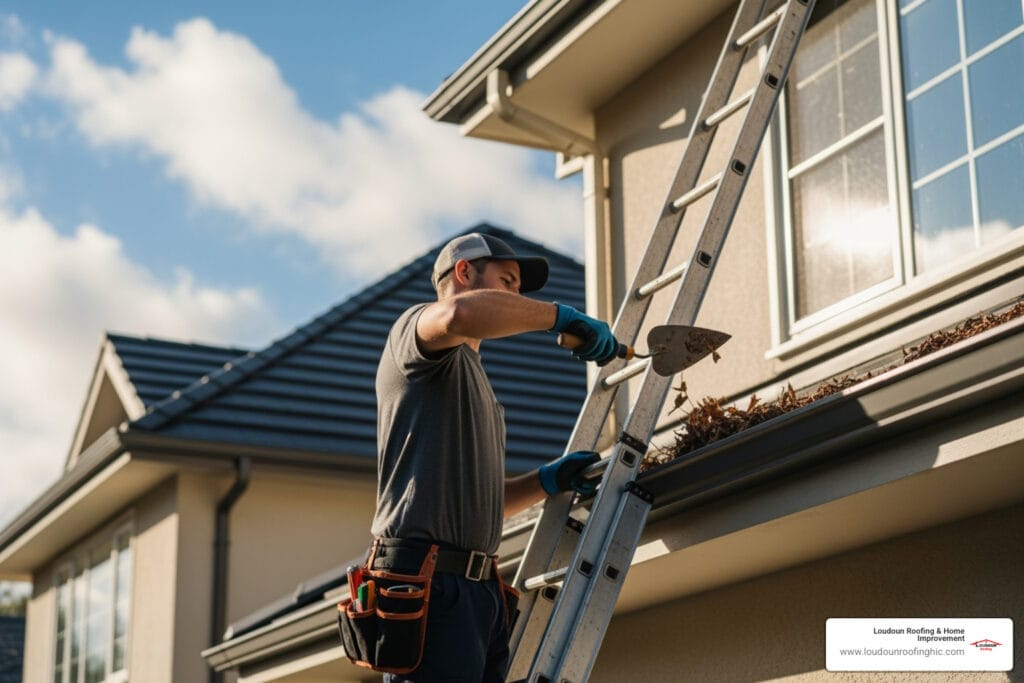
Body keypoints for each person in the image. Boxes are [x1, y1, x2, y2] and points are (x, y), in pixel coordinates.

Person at [368, 232, 622, 681]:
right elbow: (461, 313)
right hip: (430, 582)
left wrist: (547, 481)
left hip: (477, 591)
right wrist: (560, 316)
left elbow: (481, 504)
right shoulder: (414, 335)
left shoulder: (478, 384)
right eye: (507, 282)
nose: (517, 297)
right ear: (463, 273)